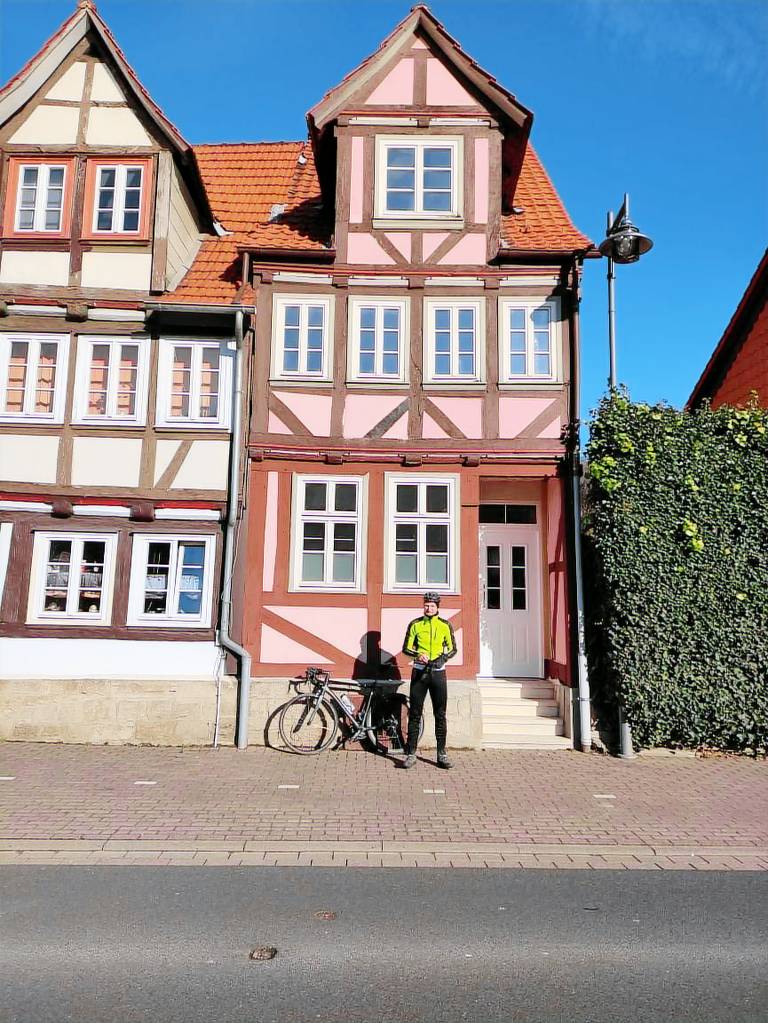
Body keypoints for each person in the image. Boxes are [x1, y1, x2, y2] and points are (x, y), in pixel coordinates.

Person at [401, 592, 457, 769]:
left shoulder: (445, 625)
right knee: (415, 714)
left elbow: (453, 649)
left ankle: (442, 754)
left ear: (437, 607)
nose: (429, 608)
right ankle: (411, 754)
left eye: (432, 605)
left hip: (438, 674)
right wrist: (418, 654)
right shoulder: (415, 624)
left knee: (440, 714)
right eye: (426, 605)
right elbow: (406, 648)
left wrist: (443, 658)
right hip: (419, 672)